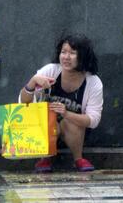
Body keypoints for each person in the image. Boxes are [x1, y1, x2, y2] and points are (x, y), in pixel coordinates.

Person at [19, 33, 103, 172]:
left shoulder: (93, 82)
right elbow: (24, 103)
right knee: (48, 118)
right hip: (42, 130)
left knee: (70, 122)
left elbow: (94, 120)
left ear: (83, 56)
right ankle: (44, 157)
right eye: (63, 52)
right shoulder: (50, 71)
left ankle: (78, 159)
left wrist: (66, 113)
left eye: (72, 53)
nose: (66, 57)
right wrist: (32, 82)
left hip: (74, 133)